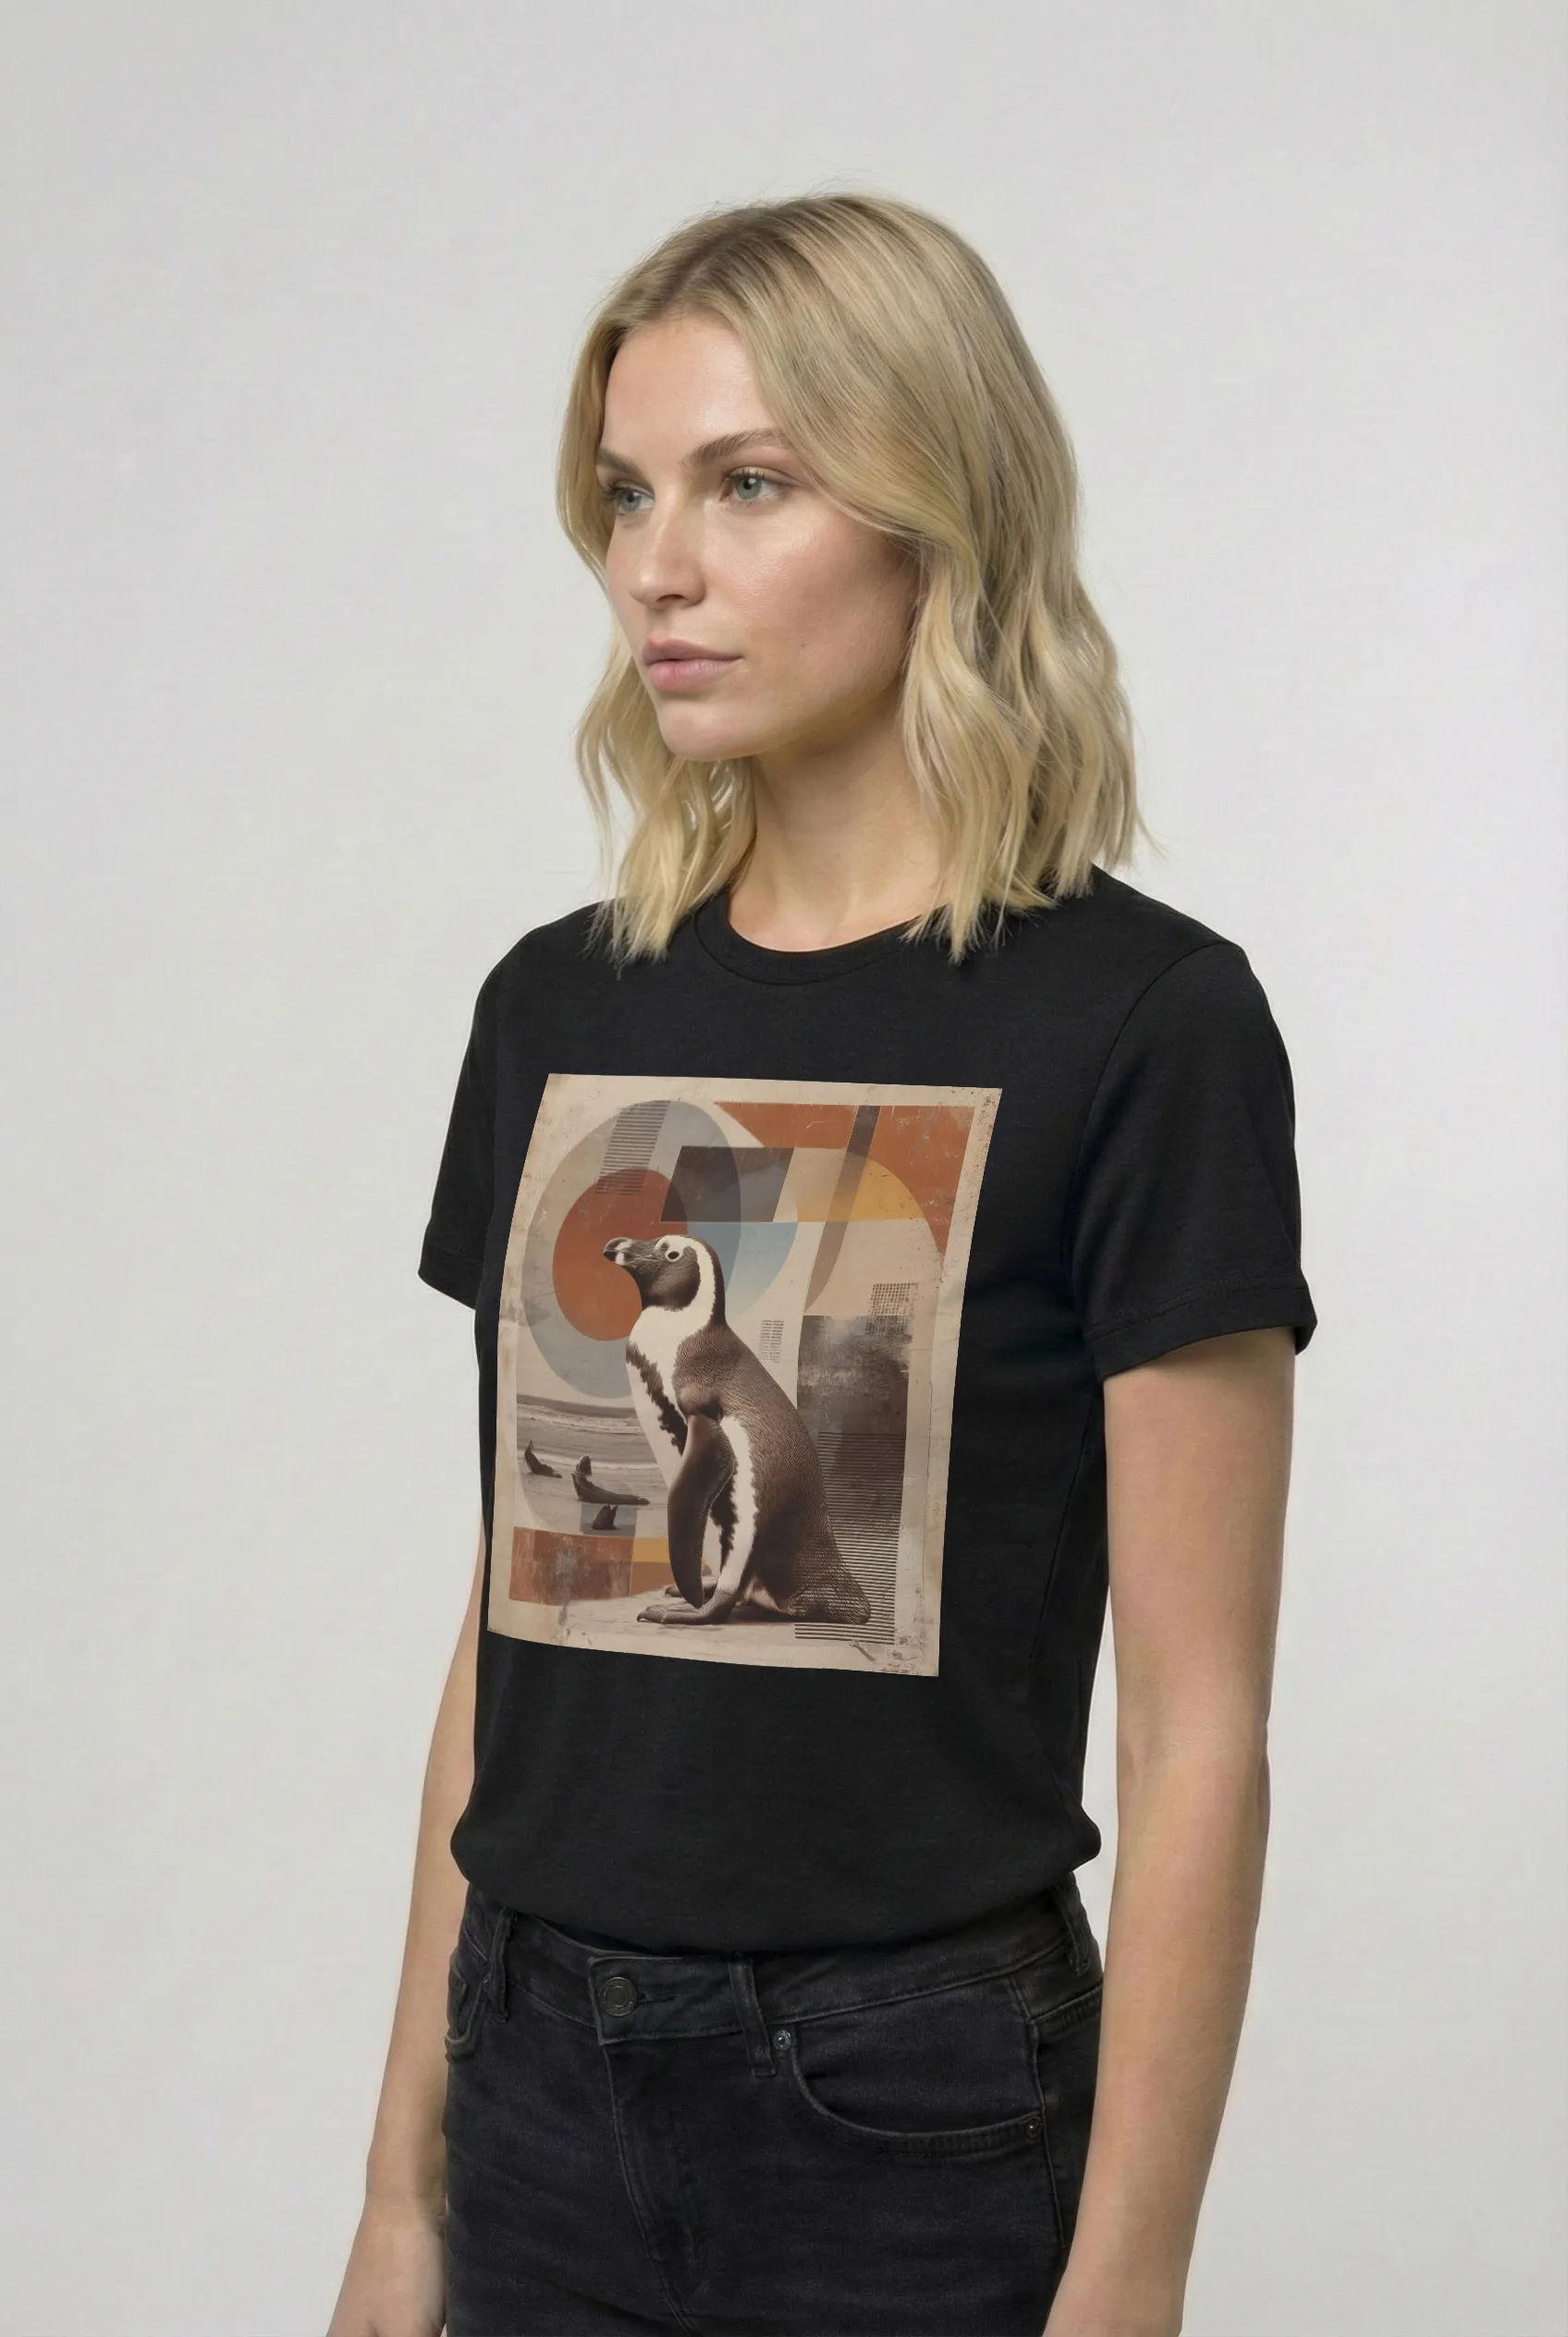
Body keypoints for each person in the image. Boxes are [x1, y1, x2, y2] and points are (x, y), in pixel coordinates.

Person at [326, 192, 1317, 2337]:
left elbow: (1196, 1730)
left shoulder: (1139, 1025)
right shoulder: (554, 1009)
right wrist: (401, 2193)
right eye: (625, 492)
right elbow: (515, 1629)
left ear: (933, 509)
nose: (652, 567)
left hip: (910, 2103)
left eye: (746, 483)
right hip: (532, 2077)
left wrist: (1125, 2285)